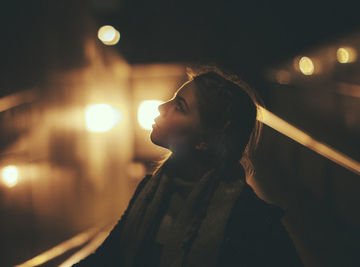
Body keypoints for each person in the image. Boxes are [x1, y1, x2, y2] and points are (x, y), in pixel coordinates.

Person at [74, 68, 303, 266]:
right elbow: (109, 258)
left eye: (179, 106)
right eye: (172, 99)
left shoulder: (254, 222)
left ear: (206, 140)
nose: (162, 107)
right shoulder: (149, 190)